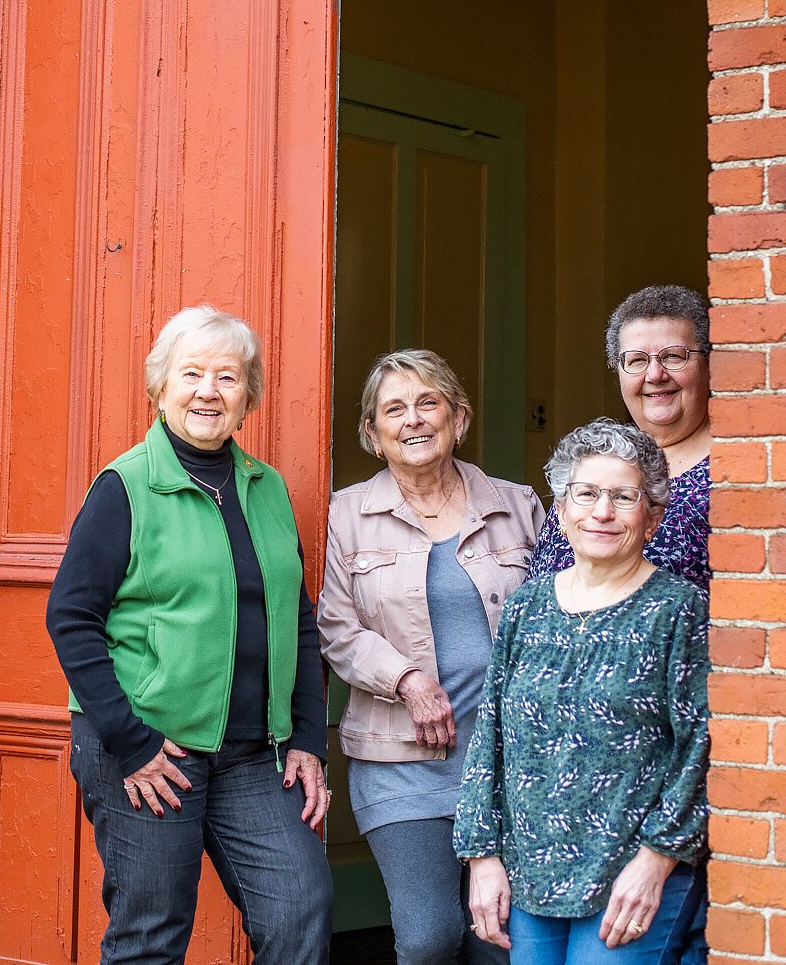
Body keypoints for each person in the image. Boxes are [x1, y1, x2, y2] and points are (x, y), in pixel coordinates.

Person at [46, 305, 332, 965]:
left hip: (253, 755)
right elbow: (71, 618)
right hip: (149, 748)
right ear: (161, 387)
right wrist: (132, 742)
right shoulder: (125, 487)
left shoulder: (267, 489)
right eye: (193, 373)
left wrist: (308, 739)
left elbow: (299, 620)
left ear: (247, 397)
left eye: (228, 377)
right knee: (151, 937)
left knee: (301, 906)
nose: (209, 390)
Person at [316, 349, 545, 965]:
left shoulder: (517, 506)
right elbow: (334, 625)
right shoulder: (345, 516)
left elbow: (560, 614)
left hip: (506, 763)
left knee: (499, 941)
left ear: (458, 418)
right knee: (428, 939)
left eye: (428, 403)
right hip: (401, 761)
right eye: (394, 409)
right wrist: (408, 679)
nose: (413, 420)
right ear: (372, 432)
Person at [454, 419, 709, 965]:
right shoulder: (526, 607)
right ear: (563, 510)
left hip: (631, 874)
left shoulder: (680, 610)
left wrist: (658, 859)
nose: (602, 511)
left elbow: (700, 746)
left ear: (653, 516)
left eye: (623, 497)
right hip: (530, 870)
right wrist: (482, 857)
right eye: (586, 494)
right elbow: (490, 736)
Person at [529, 285, 710, 589]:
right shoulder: (593, 460)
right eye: (637, 360)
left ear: (709, 363)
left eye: (673, 356)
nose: (655, 375)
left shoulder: (741, 469)